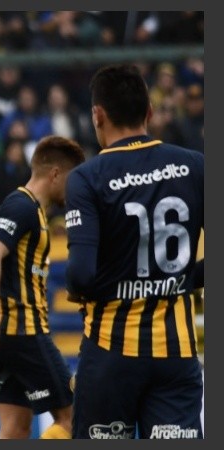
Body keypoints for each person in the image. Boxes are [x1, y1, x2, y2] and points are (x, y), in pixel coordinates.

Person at [65, 63, 204, 439]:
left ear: (98, 115)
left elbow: (80, 275)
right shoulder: (195, 166)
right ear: (150, 112)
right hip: (176, 352)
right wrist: (183, 278)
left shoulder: (87, 177)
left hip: (110, 352)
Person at [0, 135, 86, 439]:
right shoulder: (22, 205)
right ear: (55, 174)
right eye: (72, 180)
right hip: (24, 332)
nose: (74, 189)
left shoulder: (35, 211)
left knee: (15, 428)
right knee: (73, 419)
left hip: (12, 337)